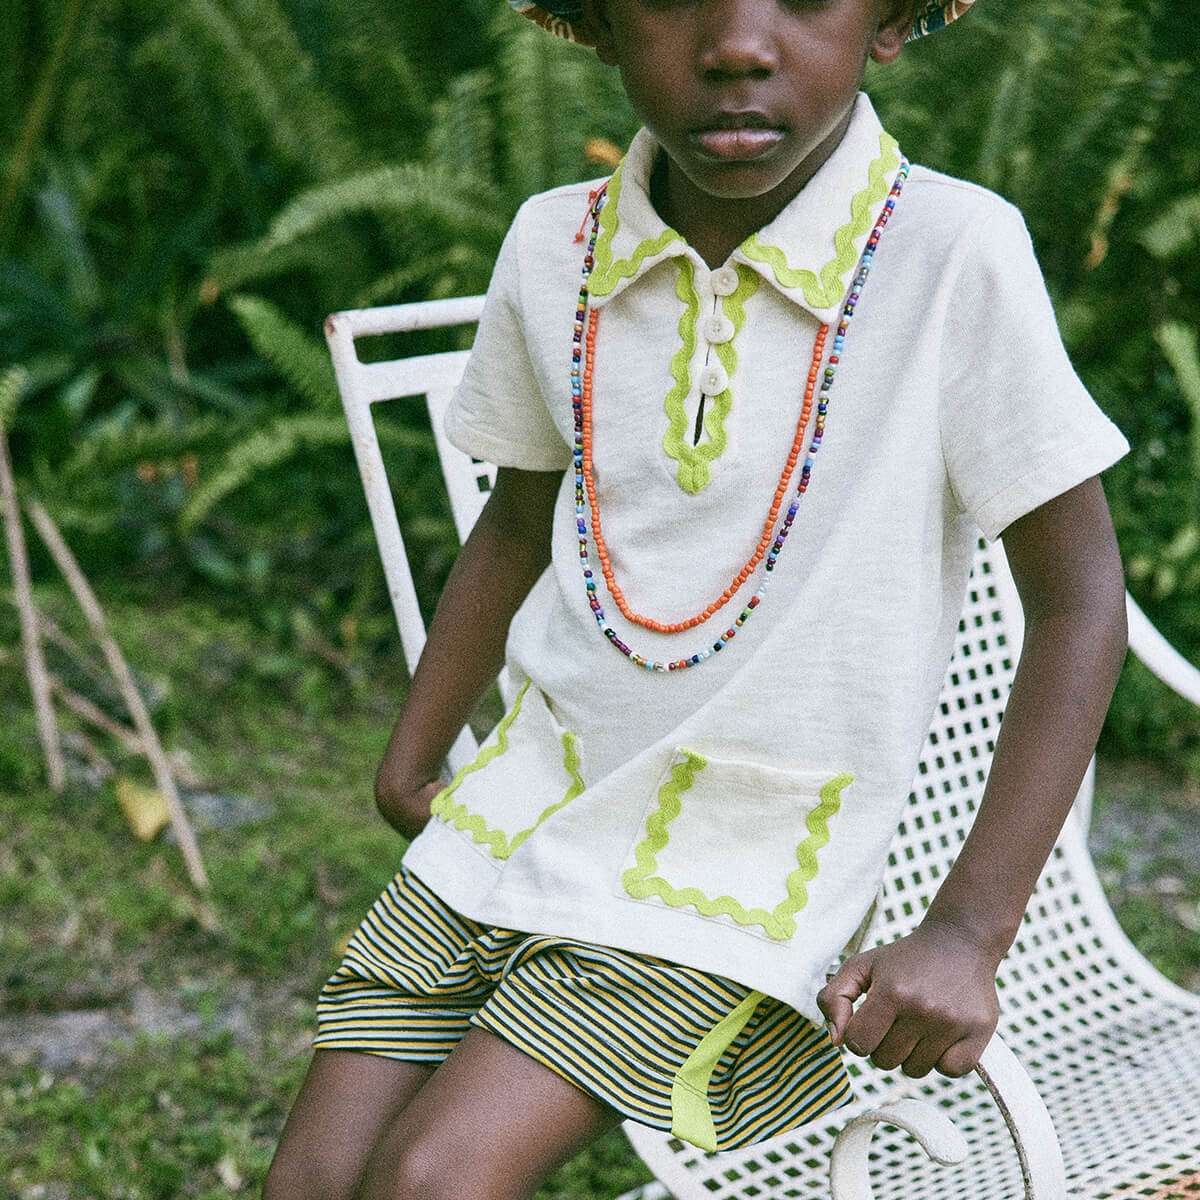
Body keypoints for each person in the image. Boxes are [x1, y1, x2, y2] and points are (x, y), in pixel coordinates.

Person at [265, 0, 1130, 1196]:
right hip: (522, 806)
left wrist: (967, 930)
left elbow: (1081, 601)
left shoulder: (951, 253)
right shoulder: (554, 244)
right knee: (313, 1180)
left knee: (430, 1180)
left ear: (888, 20)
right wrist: (416, 749)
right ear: (599, 23)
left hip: (737, 861)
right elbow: (516, 522)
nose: (736, 43)